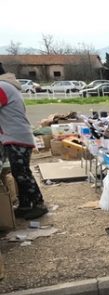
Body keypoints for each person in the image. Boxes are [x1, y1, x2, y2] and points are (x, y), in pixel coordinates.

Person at [0, 63, 47, 219]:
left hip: (16, 136)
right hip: (16, 135)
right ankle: (25, 205)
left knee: (21, 172)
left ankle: (39, 204)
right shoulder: (7, 85)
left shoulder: (2, 87)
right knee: (19, 172)